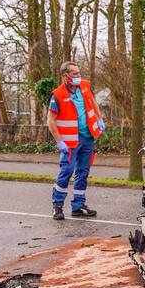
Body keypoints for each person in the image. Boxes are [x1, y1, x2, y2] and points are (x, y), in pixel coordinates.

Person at [48, 61, 105, 220]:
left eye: (79, 73)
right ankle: (57, 206)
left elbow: (93, 103)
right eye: (75, 74)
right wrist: (59, 141)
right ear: (65, 76)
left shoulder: (85, 86)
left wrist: (100, 119)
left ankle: (78, 206)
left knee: (83, 172)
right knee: (66, 171)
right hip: (70, 142)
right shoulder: (57, 95)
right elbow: (51, 121)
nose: (79, 76)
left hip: (88, 137)